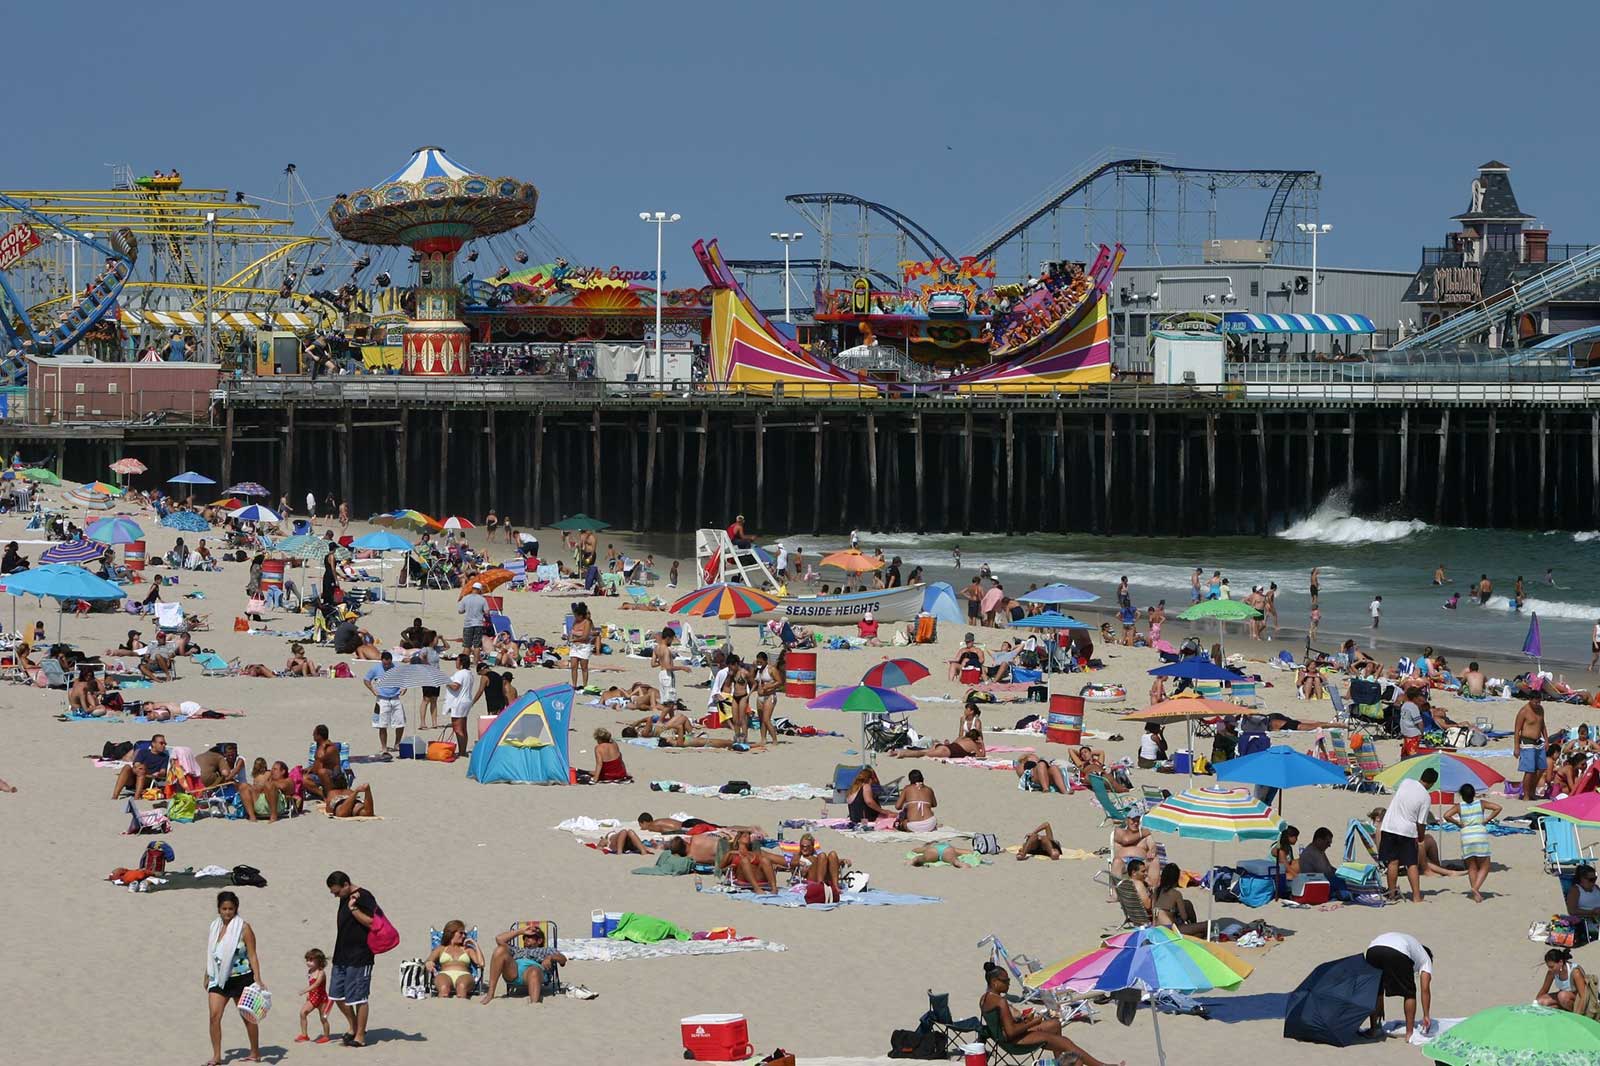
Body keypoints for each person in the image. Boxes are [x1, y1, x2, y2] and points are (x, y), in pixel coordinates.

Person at [979, 966, 1122, 1066]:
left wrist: (1023, 1020)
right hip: (1013, 1043)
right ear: (994, 982)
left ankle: (1059, 1062)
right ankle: (1101, 1065)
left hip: (1003, 1039)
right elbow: (1010, 1033)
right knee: (1065, 1042)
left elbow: (1002, 1024)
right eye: (1006, 981)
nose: (1009, 983)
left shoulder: (984, 998)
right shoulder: (1001, 1002)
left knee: (1054, 1024)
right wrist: (1033, 1023)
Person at [205, 890, 264, 1066]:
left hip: (242, 978)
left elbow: (252, 955)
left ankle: (255, 1052)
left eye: (231, 909)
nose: (227, 912)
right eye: (224, 909)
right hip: (219, 978)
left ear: (236, 908)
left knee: (249, 1017)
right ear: (219, 909)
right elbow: (211, 953)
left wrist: (258, 978)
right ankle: (217, 1056)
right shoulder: (214, 926)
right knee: (214, 1017)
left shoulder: (244, 928)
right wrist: (207, 974)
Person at [325, 871, 377, 1047]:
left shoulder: (364, 897)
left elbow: (372, 923)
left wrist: (354, 908)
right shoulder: (345, 897)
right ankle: (354, 1026)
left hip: (360, 956)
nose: (335, 895)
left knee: (359, 997)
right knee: (336, 994)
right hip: (341, 955)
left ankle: (360, 1036)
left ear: (346, 885)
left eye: (337, 892)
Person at [1380, 767, 1438, 903]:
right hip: (1407, 830)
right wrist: (1421, 837)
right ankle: (1417, 896)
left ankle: (1392, 894)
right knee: (1411, 863)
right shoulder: (1426, 797)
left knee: (1393, 862)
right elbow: (1421, 822)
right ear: (1432, 783)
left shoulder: (1406, 782)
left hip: (1389, 826)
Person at [1363, 932, 1434, 1041]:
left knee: (1374, 989)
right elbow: (1425, 989)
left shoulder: (1414, 946)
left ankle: (1374, 1029)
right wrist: (1426, 1015)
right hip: (1397, 951)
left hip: (1372, 950)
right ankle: (1409, 1034)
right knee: (1409, 993)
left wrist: (1380, 1003)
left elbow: (1379, 986)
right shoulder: (1426, 959)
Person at [1443, 783, 1502, 902]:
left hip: (1466, 837)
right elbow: (1498, 807)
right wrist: (1487, 819)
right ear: (1474, 794)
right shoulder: (1481, 803)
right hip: (1480, 835)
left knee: (1471, 866)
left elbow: (1446, 815)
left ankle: (1475, 893)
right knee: (1485, 865)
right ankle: (1475, 888)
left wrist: (1458, 823)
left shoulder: (1459, 806)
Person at [480, 924, 566, 1004]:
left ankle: (534, 1004)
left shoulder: (547, 950)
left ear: (539, 940)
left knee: (534, 970)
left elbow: (563, 960)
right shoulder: (517, 949)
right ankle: (490, 994)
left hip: (534, 971)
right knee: (500, 950)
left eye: (530, 937)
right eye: (525, 937)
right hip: (514, 971)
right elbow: (499, 939)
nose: (526, 939)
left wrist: (550, 957)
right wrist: (520, 931)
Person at [424, 920, 483, 999]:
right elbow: (428, 960)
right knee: (444, 987)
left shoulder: (467, 949)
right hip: (444, 974)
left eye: (465, 934)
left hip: (464, 975)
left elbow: (481, 963)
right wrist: (429, 963)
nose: (464, 936)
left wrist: (475, 944)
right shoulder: (441, 949)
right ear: (451, 933)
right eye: (460, 933)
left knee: (462, 987)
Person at [364, 651, 405, 757]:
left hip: (395, 697)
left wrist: (404, 688)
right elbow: (366, 679)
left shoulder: (396, 667)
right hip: (382, 699)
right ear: (382, 660)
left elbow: (404, 679)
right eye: (385, 664)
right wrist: (372, 690)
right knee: (382, 724)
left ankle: (397, 744)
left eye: (388, 663)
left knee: (400, 723)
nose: (387, 666)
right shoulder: (375, 668)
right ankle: (384, 747)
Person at [1152, 862, 1208, 936]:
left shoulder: (1156, 890)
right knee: (1206, 925)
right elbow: (1184, 917)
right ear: (1176, 878)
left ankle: (1194, 929)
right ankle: (1193, 927)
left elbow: (1155, 909)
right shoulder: (1176, 894)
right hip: (1171, 929)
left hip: (1157, 927)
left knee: (1187, 903)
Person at [1514, 693, 1549, 800]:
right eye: (1535, 702)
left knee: (1541, 768)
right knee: (1529, 770)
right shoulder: (1524, 711)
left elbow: (1542, 725)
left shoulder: (1540, 709)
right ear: (1530, 699)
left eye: (1539, 702)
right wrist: (1516, 747)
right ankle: (1526, 794)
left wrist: (1547, 740)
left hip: (1539, 742)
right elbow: (1517, 730)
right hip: (1527, 742)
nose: (1537, 704)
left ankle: (1532, 791)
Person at [111, 733, 168, 799]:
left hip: (148, 779)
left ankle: (136, 797)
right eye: (161, 743)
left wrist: (158, 774)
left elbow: (163, 771)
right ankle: (115, 796)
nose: (164, 745)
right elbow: (136, 764)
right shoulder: (143, 752)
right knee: (127, 767)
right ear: (153, 744)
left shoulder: (165, 757)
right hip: (135, 776)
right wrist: (139, 769)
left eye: (165, 744)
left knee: (142, 770)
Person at [1536, 948, 1592, 1012]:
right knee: (1541, 1002)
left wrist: (1578, 1016)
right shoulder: (1551, 973)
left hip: (1578, 1001)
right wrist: (1534, 1004)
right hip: (1563, 999)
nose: (1550, 969)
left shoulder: (1575, 972)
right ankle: (1564, 1010)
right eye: (1548, 967)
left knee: (1562, 996)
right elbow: (1544, 989)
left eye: (1552, 967)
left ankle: (1573, 1013)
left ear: (1560, 962)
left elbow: (1583, 996)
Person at [444, 652, 479, 756]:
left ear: (461, 662)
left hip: (459, 702)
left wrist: (446, 681)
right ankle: (462, 750)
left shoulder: (460, 673)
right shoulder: (469, 673)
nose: (456, 662)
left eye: (457, 660)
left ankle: (462, 751)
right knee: (463, 727)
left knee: (457, 728)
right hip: (466, 700)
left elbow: (456, 686)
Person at [297, 947, 332, 1043]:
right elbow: (310, 983)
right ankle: (304, 1035)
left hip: (322, 999)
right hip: (313, 998)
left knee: (323, 1018)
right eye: (307, 960)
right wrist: (308, 994)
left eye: (311, 960)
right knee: (302, 1013)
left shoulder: (321, 973)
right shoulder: (310, 971)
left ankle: (326, 1036)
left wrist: (305, 990)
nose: (308, 962)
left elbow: (316, 984)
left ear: (319, 961)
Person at [888, 730, 985, 760]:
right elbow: (981, 756)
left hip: (943, 747)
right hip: (946, 751)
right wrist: (982, 744)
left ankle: (895, 752)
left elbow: (951, 744)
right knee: (921, 754)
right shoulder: (973, 744)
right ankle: (901, 754)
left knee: (922, 751)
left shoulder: (961, 738)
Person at [652, 628, 687, 705]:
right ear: (668, 638)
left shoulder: (656, 648)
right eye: (671, 639)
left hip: (661, 674)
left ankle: (671, 717)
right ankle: (662, 717)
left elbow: (653, 664)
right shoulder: (666, 650)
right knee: (670, 702)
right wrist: (682, 668)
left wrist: (661, 662)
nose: (671, 641)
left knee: (667, 700)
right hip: (667, 675)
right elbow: (668, 667)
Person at [458, 581, 489, 663]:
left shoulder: (465, 598)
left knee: (467, 645)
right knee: (477, 645)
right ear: (479, 590)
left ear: (472, 589)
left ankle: (465, 662)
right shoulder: (482, 599)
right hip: (478, 624)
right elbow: (487, 612)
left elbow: (460, 611)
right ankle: (475, 662)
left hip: (468, 624)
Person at [568, 601, 596, 688]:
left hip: (584, 646)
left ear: (581, 615)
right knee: (573, 666)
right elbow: (572, 632)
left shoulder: (587, 622)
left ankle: (585, 685)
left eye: (576, 615)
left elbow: (585, 636)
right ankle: (574, 685)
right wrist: (570, 638)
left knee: (584, 667)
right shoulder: (575, 622)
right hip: (574, 647)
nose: (575, 617)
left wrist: (574, 639)